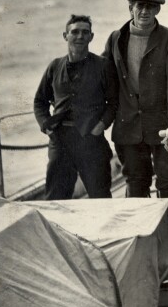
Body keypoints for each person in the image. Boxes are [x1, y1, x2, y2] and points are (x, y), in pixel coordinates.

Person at [103, 0, 168, 198]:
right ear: (130, 8)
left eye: (150, 7)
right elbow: (104, 77)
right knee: (135, 181)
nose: (144, 11)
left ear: (157, 9)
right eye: (139, 6)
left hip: (162, 123)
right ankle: (141, 230)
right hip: (128, 124)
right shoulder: (116, 38)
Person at [33, 14, 117, 199]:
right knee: (56, 197)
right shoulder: (55, 66)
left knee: (100, 196)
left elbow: (113, 103)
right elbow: (40, 101)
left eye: (85, 32)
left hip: (91, 141)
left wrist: (100, 126)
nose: (80, 36)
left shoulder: (103, 66)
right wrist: (47, 127)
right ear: (65, 36)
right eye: (75, 32)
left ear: (91, 37)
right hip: (60, 141)